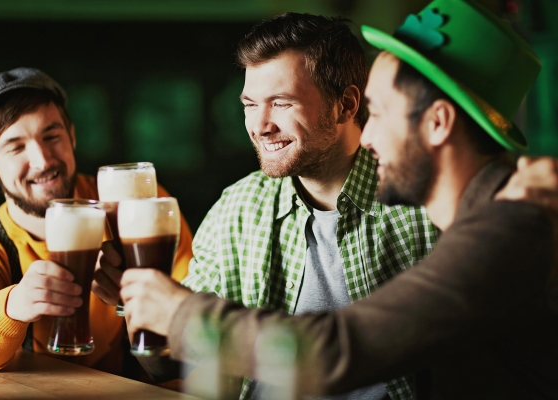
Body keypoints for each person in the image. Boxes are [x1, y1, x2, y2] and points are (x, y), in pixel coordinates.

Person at [120, 0, 558, 399]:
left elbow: (334, 351)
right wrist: (146, 315)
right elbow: (181, 367)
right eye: (250, 104)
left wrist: (181, 312)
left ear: (438, 123)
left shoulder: (503, 232)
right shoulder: (506, 213)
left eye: (380, 112)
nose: (367, 135)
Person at [97, 12, 438, 400]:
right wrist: (137, 305)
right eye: (249, 104)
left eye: (281, 102)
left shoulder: (423, 206)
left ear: (345, 105)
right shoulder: (239, 207)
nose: (259, 125)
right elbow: (176, 365)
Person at [0, 67, 194, 378]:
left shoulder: (135, 203)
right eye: (16, 147)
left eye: (51, 136)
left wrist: (144, 299)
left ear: (72, 135)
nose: (42, 160)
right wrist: (13, 305)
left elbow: (196, 311)